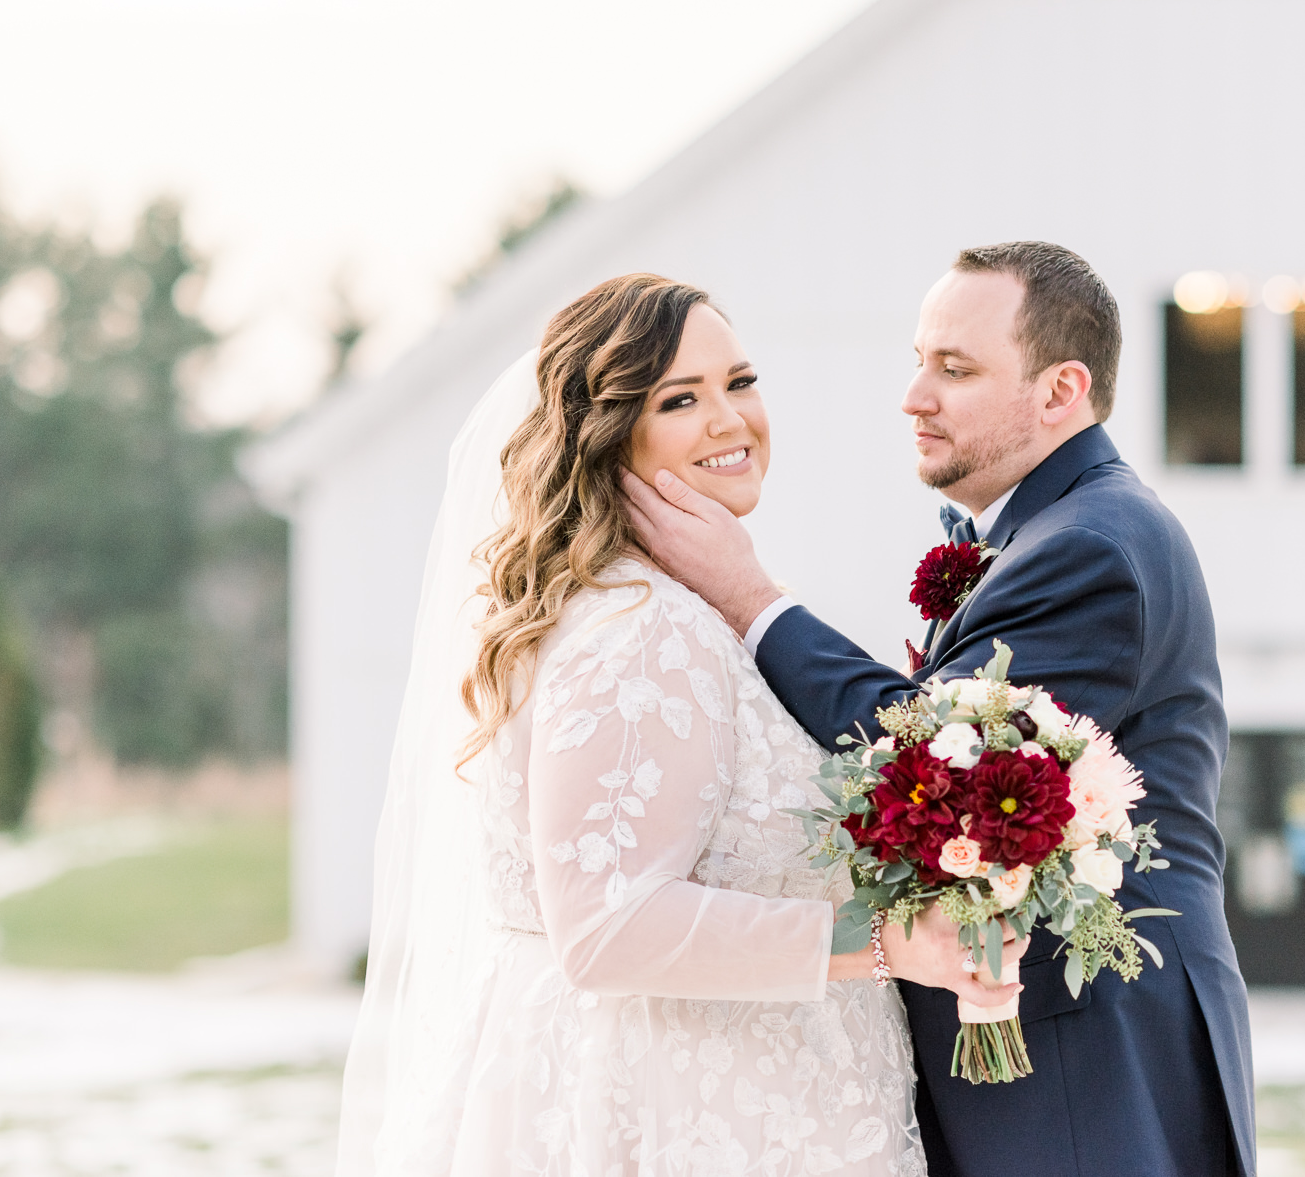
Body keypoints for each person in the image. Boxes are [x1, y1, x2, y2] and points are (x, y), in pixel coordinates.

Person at [337, 273, 1012, 1176]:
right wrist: (886, 944)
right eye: (680, 399)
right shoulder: (639, 627)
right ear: (611, 434)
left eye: (739, 382)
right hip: (675, 1112)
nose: (730, 420)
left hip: (744, 1096)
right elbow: (607, 927)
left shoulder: (670, 609)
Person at [623, 243, 1258, 1177]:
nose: (915, 396)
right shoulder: (1050, 528)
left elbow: (934, 764)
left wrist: (752, 599)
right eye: (919, 361)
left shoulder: (1091, 548)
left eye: (954, 370)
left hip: (1082, 1056)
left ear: (1060, 391)